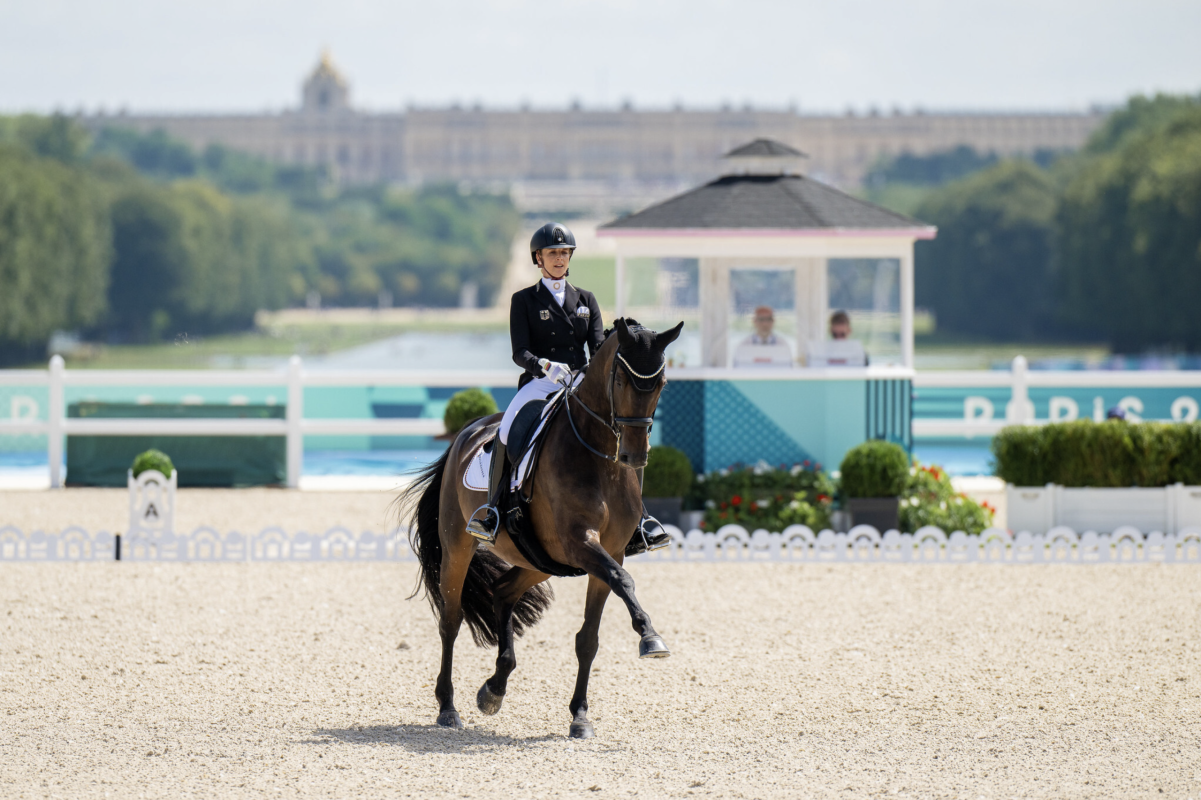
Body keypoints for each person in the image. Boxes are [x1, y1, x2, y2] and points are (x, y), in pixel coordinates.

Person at [466, 222, 670, 554]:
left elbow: (599, 346)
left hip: (579, 381)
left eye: (564, 253)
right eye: (552, 254)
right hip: (540, 382)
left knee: (623, 432)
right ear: (539, 259)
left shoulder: (586, 299)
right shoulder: (524, 300)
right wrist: (543, 366)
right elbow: (520, 351)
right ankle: (493, 509)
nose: (559, 259)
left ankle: (640, 520)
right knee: (507, 429)